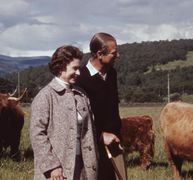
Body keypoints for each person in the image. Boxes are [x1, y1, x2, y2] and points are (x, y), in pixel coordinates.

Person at [30, 45, 98, 180]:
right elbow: (37, 134)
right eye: (75, 68)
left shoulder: (82, 94)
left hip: (84, 166)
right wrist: (52, 166)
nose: (79, 73)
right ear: (61, 68)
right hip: (57, 171)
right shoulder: (45, 96)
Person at [76, 32, 124, 180]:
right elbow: (79, 120)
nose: (117, 56)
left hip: (114, 144)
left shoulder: (112, 74)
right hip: (90, 147)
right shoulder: (79, 79)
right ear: (99, 54)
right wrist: (101, 136)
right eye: (113, 53)